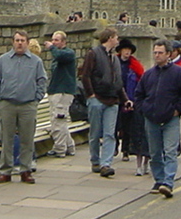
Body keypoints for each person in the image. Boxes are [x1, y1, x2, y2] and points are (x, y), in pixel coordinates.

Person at [134, 39, 181, 198]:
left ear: (168, 54)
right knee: (154, 153)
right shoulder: (148, 75)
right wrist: (144, 110)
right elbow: (139, 94)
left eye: (160, 53)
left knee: (170, 151)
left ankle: (168, 182)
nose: (157, 56)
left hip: (170, 119)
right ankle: (159, 180)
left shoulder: (178, 73)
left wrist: (177, 110)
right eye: (155, 52)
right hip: (151, 119)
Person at [0, 31, 47, 183]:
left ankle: (26, 170)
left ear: (27, 42)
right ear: (13, 42)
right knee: (6, 139)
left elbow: (42, 81)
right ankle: (5, 171)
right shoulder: (3, 60)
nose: (19, 43)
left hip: (28, 105)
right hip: (7, 104)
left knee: (27, 140)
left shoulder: (36, 62)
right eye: (17, 40)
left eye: (22, 40)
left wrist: (36, 99)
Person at [80, 26, 125, 177]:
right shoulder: (93, 54)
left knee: (110, 134)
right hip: (97, 99)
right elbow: (85, 76)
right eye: (116, 37)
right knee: (95, 133)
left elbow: (118, 82)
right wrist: (91, 95)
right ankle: (95, 160)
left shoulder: (114, 57)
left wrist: (125, 99)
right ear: (110, 38)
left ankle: (106, 164)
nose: (118, 40)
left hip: (112, 101)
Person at [44, 31, 78, 158]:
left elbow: (59, 55)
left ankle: (59, 149)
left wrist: (51, 48)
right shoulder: (57, 55)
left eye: (57, 40)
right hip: (55, 91)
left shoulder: (68, 53)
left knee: (59, 120)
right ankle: (69, 146)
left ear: (64, 42)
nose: (53, 42)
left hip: (63, 92)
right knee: (59, 120)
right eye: (53, 40)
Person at [117, 39, 148, 175]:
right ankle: (114, 147)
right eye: (125, 49)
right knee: (116, 125)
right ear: (121, 50)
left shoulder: (135, 65)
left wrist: (134, 100)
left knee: (128, 126)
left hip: (130, 99)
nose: (127, 52)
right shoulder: (115, 62)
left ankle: (126, 150)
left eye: (129, 50)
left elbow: (140, 83)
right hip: (116, 98)